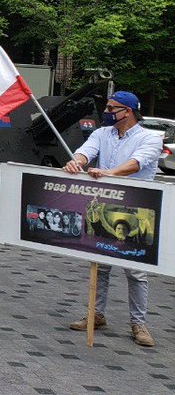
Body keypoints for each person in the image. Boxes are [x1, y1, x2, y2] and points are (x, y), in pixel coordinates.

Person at [63, 91, 162, 347]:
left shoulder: (149, 138)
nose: (106, 111)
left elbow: (136, 164)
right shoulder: (101, 133)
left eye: (110, 107)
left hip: (137, 211)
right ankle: (96, 314)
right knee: (99, 265)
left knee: (136, 270)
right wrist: (76, 163)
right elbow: (85, 152)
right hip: (103, 206)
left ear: (127, 111)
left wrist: (110, 173)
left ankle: (138, 324)